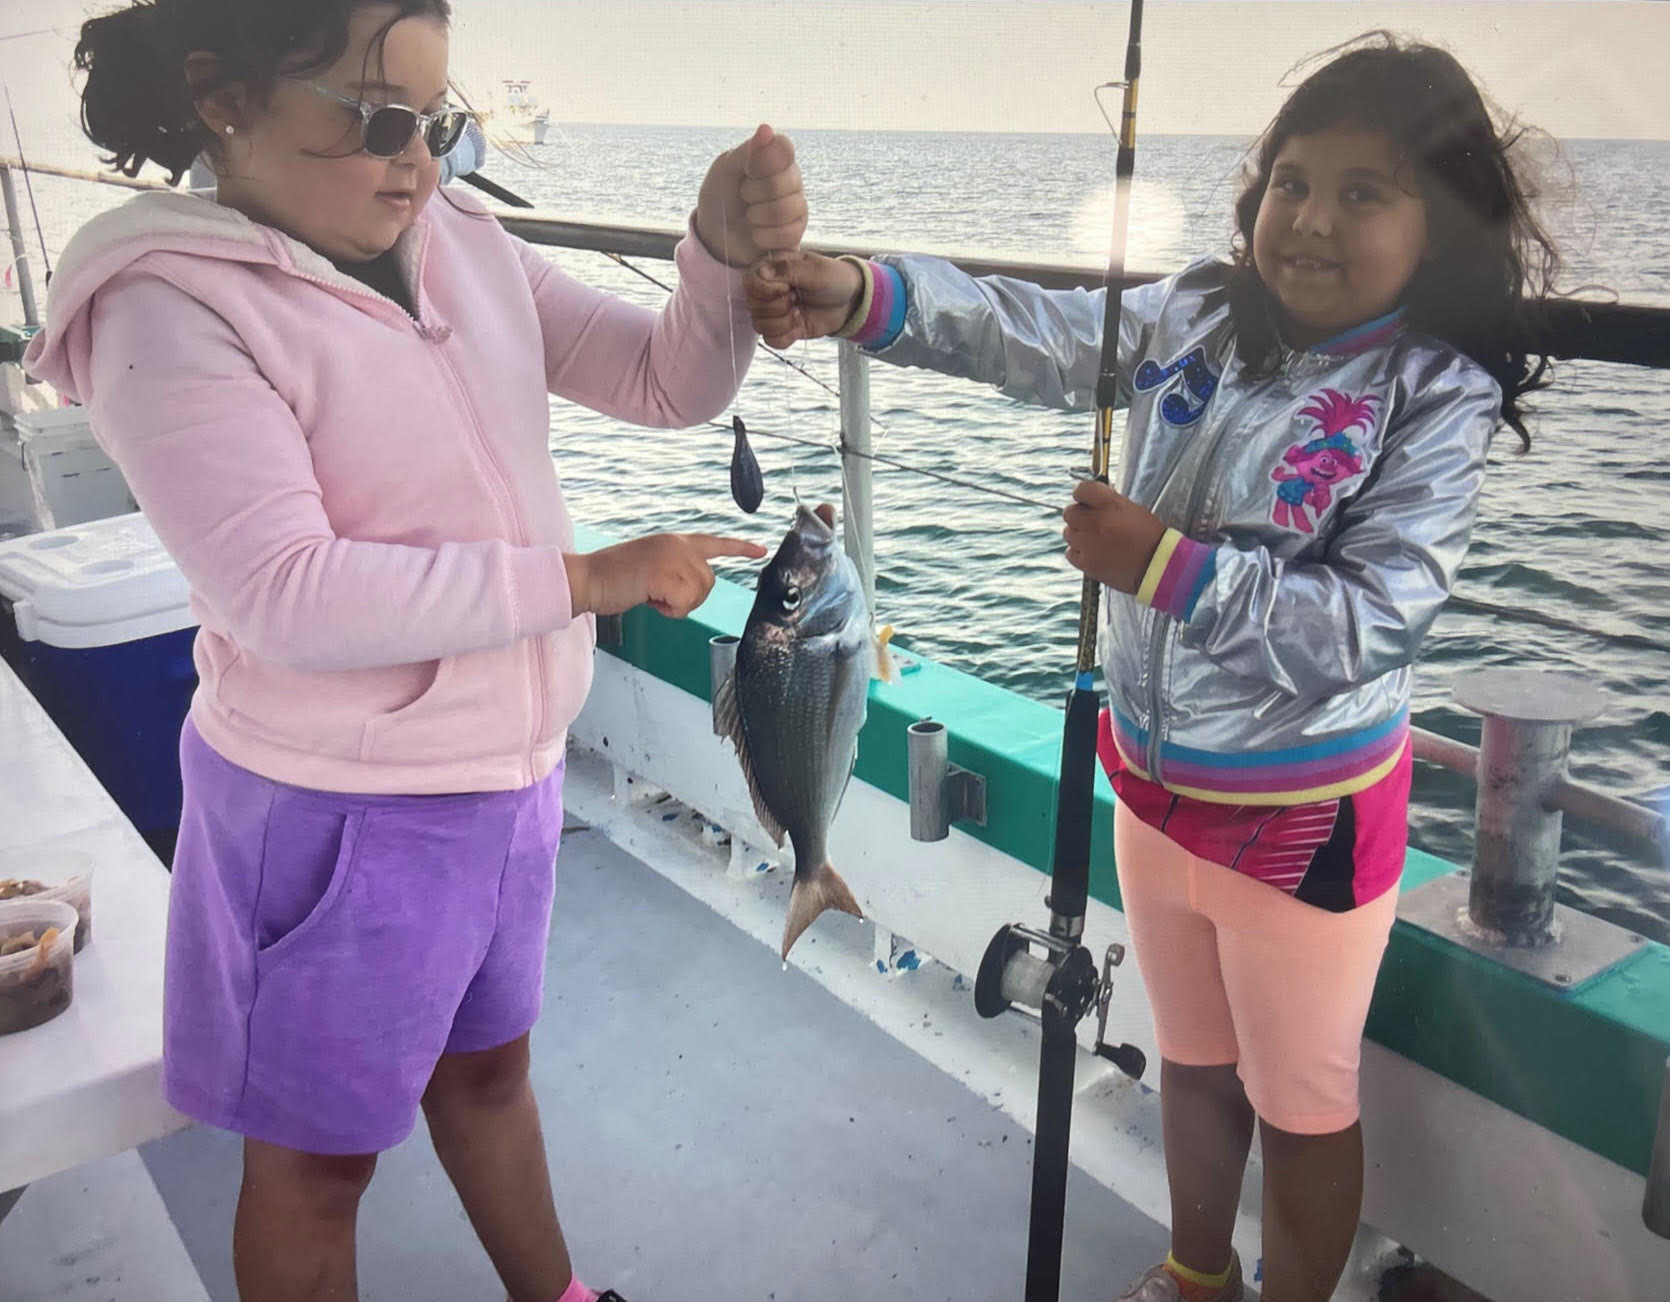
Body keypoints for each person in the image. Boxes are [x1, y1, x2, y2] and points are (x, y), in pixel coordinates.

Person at [745, 33, 1556, 1302]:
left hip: (1303, 818)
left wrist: (1165, 568)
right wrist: (863, 294)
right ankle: (1195, 1275)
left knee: (1300, 1103)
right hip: (1150, 788)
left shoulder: (1430, 391)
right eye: (1291, 182)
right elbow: (1032, 331)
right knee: (1190, 1058)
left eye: (1362, 193)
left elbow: (1370, 624)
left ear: (1439, 224)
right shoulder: (1194, 313)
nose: (1310, 220)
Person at [24, 2, 806, 1299]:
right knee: (314, 1165)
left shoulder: (459, 241)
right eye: (377, 118)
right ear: (222, 97)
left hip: (507, 780)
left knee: (491, 1074)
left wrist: (716, 258)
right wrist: (582, 581)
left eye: (438, 123)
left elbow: (664, 382)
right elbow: (288, 594)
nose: (417, 162)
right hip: (334, 813)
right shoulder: (162, 306)